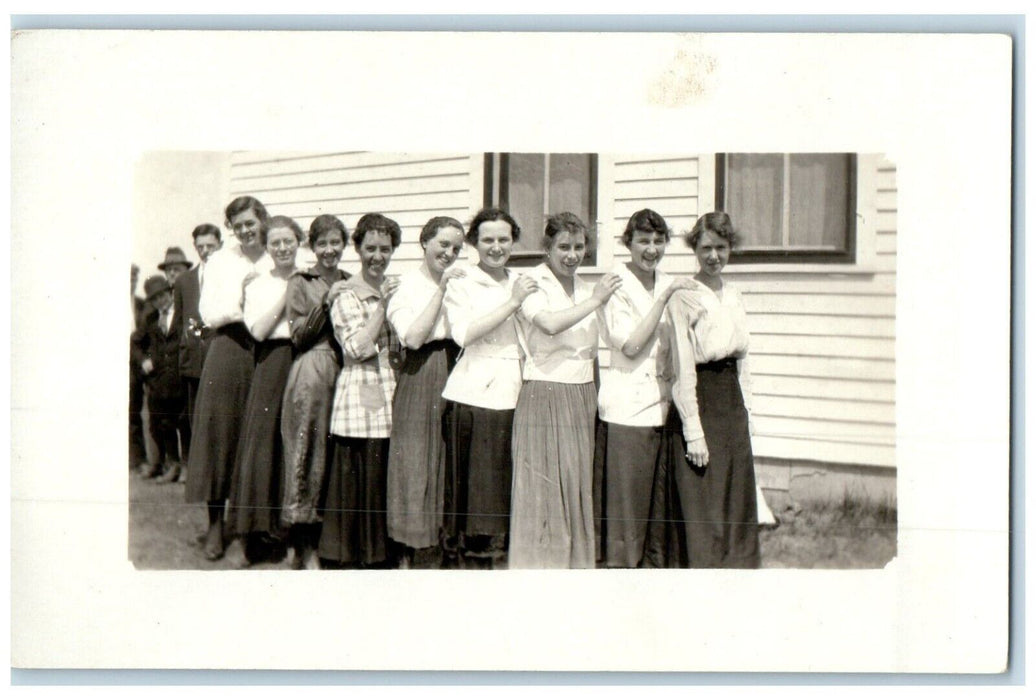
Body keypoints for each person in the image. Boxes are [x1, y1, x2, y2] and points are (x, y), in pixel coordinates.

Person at [508, 212, 622, 569]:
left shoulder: (587, 288)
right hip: (545, 392)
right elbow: (550, 324)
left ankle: (574, 562)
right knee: (544, 483)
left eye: (579, 247)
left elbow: (611, 339)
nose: (572, 255)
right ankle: (540, 563)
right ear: (547, 247)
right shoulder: (532, 284)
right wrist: (597, 300)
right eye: (563, 247)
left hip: (582, 393)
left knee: (575, 480)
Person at [648, 211, 761, 568]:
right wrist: (693, 431)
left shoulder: (735, 294)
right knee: (703, 495)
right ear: (694, 248)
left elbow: (743, 359)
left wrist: (748, 414)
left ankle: (735, 570)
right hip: (702, 396)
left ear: (731, 249)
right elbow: (682, 364)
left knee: (732, 494)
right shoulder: (686, 295)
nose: (714, 256)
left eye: (722, 248)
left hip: (731, 401)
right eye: (707, 248)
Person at [596, 209, 698, 567]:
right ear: (628, 243)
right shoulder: (616, 284)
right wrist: (665, 297)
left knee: (656, 506)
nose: (651, 249)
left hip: (663, 405)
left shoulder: (668, 281)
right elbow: (630, 345)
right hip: (627, 407)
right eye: (643, 241)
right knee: (628, 507)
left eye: (658, 241)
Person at [440, 208, 536, 569]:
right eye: (488, 240)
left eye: (503, 239)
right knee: (477, 491)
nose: (496, 247)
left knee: (503, 485)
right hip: (475, 391)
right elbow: (463, 333)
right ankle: (471, 565)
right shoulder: (462, 281)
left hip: (515, 388)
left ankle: (500, 562)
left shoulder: (520, 279)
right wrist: (512, 302)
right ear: (474, 243)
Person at [186, 195, 273, 561]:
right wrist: (248, 291)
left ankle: (252, 529)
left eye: (250, 223)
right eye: (238, 226)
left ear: (262, 221)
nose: (245, 231)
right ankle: (217, 526)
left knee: (257, 438)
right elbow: (210, 311)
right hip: (230, 348)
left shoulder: (277, 253)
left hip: (267, 350)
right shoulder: (221, 260)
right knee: (219, 436)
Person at [318, 213, 402, 568]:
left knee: (380, 478)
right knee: (359, 478)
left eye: (385, 249)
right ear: (357, 249)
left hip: (390, 390)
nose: (377, 256)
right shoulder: (347, 295)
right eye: (370, 248)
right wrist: (383, 306)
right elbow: (356, 347)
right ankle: (350, 558)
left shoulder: (396, 288)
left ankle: (379, 557)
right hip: (360, 392)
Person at [384, 216, 466, 568]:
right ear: (425, 242)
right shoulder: (406, 286)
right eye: (443, 244)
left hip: (456, 369)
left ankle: (443, 546)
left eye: (456, 248)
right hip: (420, 372)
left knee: (447, 460)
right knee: (417, 462)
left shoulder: (460, 283)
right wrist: (442, 290)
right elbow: (413, 337)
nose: (449, 253)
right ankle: (415, 549)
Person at [221, 216, 303, 566]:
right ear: (267, 248)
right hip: (272, 362)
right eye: (276, 243)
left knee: (295, 448)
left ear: (299, 242)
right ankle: (246, 536)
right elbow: (257, 330)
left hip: (305, 360)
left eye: (289, 241)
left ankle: (290, 540)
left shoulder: (310, 279)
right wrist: (289, 295)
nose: (283, 248)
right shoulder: (258, 284)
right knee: (261, 446)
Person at [280, 214, 352, 570]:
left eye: (335, 243)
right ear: (311, 246)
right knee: (306, 453)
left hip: (346, 374)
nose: (329, 250)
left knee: (333, 457)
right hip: (312, 370)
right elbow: (299, 338)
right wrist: (326, 303)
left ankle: (330, 544)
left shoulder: (351, 280)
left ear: (344, 244)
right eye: (322, 243)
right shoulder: (301, 282)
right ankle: (300, 547)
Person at [165, 224, 223, 484]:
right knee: (192, 418)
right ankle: (194, 470)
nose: (205, 251)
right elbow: (177, 324)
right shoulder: (185, 280)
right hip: (192, 362)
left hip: (220, 359)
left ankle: (216, 472)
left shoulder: (227, 276)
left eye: (210, 246)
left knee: (218, 418)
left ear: (219, 245)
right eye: (200, 246)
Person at [134, 275, 187, 480]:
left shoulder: (183, 314)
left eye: (162, 296)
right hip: (159, 382)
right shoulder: (150, 320)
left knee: (185, 422)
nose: (160, 301)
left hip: (180, 378)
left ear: (170, 293)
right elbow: (135, 343)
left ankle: (187, 466)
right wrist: (144, 360)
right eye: (154, 299)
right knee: (165, 424)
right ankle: (172, 464)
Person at [129, 264, 149, 474]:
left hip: (135, 365)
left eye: (134, 278)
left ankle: (137, 458)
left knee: (134, 410)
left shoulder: (141, 305)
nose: (130, 282)